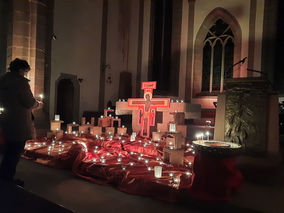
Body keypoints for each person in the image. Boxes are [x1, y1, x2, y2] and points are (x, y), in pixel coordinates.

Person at [0, 58, 42, 186]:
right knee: (15, 152)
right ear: (20, 70)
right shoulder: (21, 82)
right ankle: (8, 179)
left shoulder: (2, 80)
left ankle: (3, 176)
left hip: (6, 120)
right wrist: (38, 104)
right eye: (25, 71)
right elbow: (28, 102)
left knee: (8, 151)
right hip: (19, 122)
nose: (25, 74)